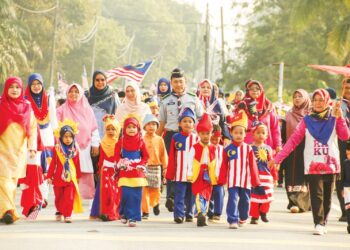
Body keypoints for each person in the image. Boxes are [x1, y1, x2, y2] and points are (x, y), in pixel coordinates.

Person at [269, 89, 350, 235]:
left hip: (331, 165)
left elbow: (345, 136)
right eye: (315, 100)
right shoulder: (306, 120)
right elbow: (293, 141)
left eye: (321, 100)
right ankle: (318, 223)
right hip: (312, 165)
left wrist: (340, 119)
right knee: (316, 195)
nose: (318, 103)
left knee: (327, 197)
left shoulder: (334, 117)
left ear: (326, 101)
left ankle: (323, 221)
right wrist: (277, 158)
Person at [157, 68, 203, 212]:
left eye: (181, 82)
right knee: (171, 166)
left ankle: (188, 198)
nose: (178, 84)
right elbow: (162, 122)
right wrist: (154, 140)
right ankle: (171, 196)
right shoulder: (165, 101)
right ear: (171, 82)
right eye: (175, 82)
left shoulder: (193, 98)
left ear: (185, 82)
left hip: (190, 138)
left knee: (188, 166)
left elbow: (201, 118)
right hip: (171, 135)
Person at [0, 77, 37, 224]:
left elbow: (33, 128)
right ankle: (9, 211)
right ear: (6, 89)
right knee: (4, 180)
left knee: (12, 182)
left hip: (19, 152)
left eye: (17, 87)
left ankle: (4, 211)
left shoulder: (27, 107)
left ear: (22, 89)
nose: (14, 90)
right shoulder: (1, 105)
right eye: (11, 87)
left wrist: (32, 147)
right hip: (2, 150)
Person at [56, 83, 100, 201]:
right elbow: (56, 129)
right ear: (67, 93)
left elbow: (94, 128)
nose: (73, 94)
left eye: (76, 91)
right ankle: (68, 197)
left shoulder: (87, 110)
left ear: (80, 94)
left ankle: (85, 197)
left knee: (84, 170)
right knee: (69, 170)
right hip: (66, 147)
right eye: (71, 91)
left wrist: (95, 144)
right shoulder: (61, 110)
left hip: (85, 146)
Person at [218, 110, 260, 229]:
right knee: (233, 199)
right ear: (231, 133)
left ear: (245, 134)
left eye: (241, 133)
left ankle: (243, 217)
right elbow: (224, 165)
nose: (238, 135)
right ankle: (232, 219)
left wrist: (255, 180)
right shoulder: (227, 149)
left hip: (245, 181)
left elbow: (253, 165)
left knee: (245, 201)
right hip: (232, 181)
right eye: (236, 132)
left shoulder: (248, 149)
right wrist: (222, 179)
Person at [24, 73, 56, 208]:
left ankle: (43, 196)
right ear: (29, 86)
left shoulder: (48, 98)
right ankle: (32, 195)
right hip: (32, 137)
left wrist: (57, 137)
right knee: (32, 166)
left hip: (47, 135)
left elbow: (53, 118)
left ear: (42, 85)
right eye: (33, 84)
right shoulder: (25, 100)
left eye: (38, 84)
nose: (36, 87)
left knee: (46, 167)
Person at [115, 115, 149, 227]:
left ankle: (133, 217)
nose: (131, 129)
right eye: (128, 127)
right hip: (125, 172)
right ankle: (124, 213)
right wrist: (121, 163)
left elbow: (146, 156)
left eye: (133, 127)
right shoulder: (121, 141)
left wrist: (142, 165)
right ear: (124, 129)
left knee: (136, 196)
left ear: (138, 128)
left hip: (137, 173)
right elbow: (116, 155)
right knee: (126, 194)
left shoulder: (141, 141)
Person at [47, 119, 83, 223]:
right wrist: (49, 176)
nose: (68, 139)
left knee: (69, 197)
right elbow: (53, 163)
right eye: (65, 136)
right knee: (59, 197)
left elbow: (77, 164)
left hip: (70, 178)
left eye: (70, 137)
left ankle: (67, 214)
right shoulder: (57, 149)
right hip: (58, 177)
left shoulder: (75, 150)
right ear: (61, 137)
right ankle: (59, 210)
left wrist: (78, 176)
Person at [166, 107, 198, 224]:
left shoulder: (197, 138)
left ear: (194, 124)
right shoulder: (176, 138)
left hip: (193, 173)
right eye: (184, 121)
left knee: (191, 195)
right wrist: (170, 172)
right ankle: (178, 215)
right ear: (179, 123)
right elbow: (172, 156)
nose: (187, 124)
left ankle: (189, 213)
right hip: (179, 173)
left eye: (190, 121)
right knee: (179, 194)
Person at [282, 89, 311, 213]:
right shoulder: (288, 114)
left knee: (303, 176)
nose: (297, 98)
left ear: (305, 98)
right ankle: (292, 201)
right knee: (290, 176)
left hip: (306, 148)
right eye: (295, 96)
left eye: (300, 96)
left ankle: (302, 203)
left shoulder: (310, 114)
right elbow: (283, 132)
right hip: (290, 148)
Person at [187, 113, 217, 227]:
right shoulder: (195, 147)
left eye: (208, 133)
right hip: (198, 173)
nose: (206, 136)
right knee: (199, 194)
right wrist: (189, 173)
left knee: (207, 195)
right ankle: (200, 212)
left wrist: (217, 174)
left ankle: (203, 213)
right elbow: (190, 160)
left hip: (209, 174)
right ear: (199, 134)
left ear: (211, 134)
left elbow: (216, 161)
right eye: (203, 134)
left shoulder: (213, 148)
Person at [90, 115, 121, 221]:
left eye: (113, 129)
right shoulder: (103, 142)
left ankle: (113, 212)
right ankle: (103, 212)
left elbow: (120, 157)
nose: (110, 131)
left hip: (115, 170)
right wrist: (99, 169)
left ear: (117, 129)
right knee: (105, 192)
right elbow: (101, 158)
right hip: (105, 170)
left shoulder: (119, 143)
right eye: (108, 129)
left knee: (115, 192)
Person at [240, 80, 282, 152]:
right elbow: (236, 127)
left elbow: (275, 128)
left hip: (266, 148)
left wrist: (278, 145)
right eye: (251, 88)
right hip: (246, 148)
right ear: (248, 91)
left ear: (261, 90)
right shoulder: (242, 107)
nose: (255, 90)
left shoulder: (269, 107)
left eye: (257, 88)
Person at [250, 123, 277, 224]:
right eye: (258, 133)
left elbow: (272, 164)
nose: (260, 135)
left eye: (263, 133)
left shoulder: (268, 149)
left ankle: (263, 212)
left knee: (267, 196)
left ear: (266, 136)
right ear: (253, 134)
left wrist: (275, 177)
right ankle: (254, 216)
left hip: (266, 176)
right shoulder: (250, 148)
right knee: (254, 197)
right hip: (254, 176)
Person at [141, 114, 168, 219]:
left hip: (156, 167)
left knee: (156, 189)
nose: (151, 126)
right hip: (145, 167)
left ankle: (156, 203)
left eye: (154, 124)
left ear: (157, 126)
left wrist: (165, 167)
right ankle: (145, 211)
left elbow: (163, 153)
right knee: (144, 190)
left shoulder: (160, 139)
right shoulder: (142, 139)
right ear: (144, 126)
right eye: (148, 124)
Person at [85, 70, 120, 138]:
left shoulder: (113, 95)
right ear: (93, 81)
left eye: (102, 80)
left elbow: (118, 114)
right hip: (90, 133)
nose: (100, 82)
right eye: (97, 80)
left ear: (106, 81)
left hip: (108, 133)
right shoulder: (86, 95)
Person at [337, 79, 350, 221]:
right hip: (341, 145)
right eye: (346, 88)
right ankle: (345, 210)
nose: (348, 91)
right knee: (343, 178)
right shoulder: (338, 104)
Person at [207, 124, 224, 221]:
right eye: (212, 139)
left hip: (219, 177)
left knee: (219, 192)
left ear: (220, 137)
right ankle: (209, 212)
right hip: (208, 176)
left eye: (216, 139)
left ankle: (217, 212)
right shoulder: (206, 148)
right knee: (209, 194)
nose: (214, 141)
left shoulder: (222, 149)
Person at [343, 140, 350, 233]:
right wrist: (341, 189)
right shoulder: (345, 163)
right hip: (347, 188)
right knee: (348, 207)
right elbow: (342, 177)